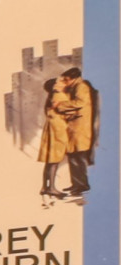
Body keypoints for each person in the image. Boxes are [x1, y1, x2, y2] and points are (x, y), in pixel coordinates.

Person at [40, 66, 98, 202]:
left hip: (78, 128)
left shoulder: (81, 87)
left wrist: (61, 107)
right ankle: (76, 185)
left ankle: (80, 185)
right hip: (65, 129)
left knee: (76, 157)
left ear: (73, 78)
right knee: (69, 157)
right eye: (62, 81)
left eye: (65, 80)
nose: (64, 82)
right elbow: (57, 112)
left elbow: (80, 103)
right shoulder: (61, 93)